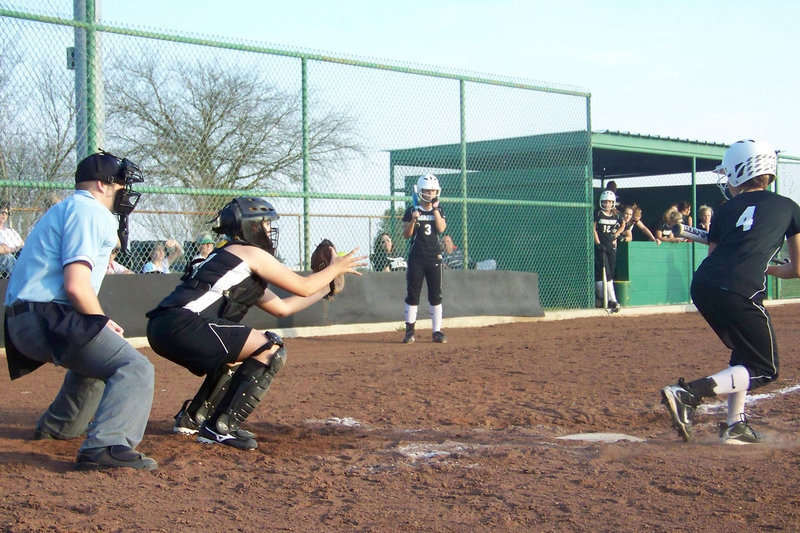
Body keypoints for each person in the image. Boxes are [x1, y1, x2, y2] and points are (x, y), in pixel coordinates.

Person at [145, 197, 366, 450]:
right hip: (183, 324)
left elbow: (283, 308)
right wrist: (336, 268)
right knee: (270, 348)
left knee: (238, 354)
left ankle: (194, 417)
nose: (270, 230)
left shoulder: (230, 259)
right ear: (251, 227)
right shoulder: (249, 252)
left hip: (164, 326)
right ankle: (221, 427)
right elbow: (303, 286)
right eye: (266, 224)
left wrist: (326, 287)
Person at [3, 151, 156, 470]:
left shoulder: (67, 208)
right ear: (102, 184)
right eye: (120, 185)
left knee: (100, 362)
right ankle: (107, 446)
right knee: (135, 367)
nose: (125, 192)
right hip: (46, 316)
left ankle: (58, 426)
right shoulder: (90, 210)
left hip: (26, 318)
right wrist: (98, 320)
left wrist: (98, 324)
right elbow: (76, 285)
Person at [661, 140, 800, 444]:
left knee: (744, 352)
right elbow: (797, 269)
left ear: (741, 171)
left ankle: (735, 424)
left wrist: (751, 263)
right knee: (765, 368)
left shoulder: (725, 211)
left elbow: (715, 256)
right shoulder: (789, 207)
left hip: (704, 285)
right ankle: (688, 393)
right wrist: (769, 268)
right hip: (742, 289)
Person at [402, 174, 447, 344]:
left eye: (433, 191)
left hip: (434, 257)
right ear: (421, 191)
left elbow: (441, 228)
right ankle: (409, 332)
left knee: (436, 295)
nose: (431, 194)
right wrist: (414, 220)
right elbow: (406, 234)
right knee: (413, 294)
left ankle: (437, 331)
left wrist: (435, 210)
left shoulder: (439, 210)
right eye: (427, 191)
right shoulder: (411, 210)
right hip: (417, 257)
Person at [593, 190, 624, 312]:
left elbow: (623, 225)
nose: (607, 204)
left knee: (611, 270)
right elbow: (593, 229)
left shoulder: (616, 214)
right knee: (604, 272)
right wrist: (598, 243)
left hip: (611, 246)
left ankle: (608, 299)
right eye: (605, 202)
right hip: (601, 245)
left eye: (610, 202)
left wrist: (615, 235)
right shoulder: (598, 213)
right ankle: (611, 300)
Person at [0, 203, 24, 277]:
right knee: (7, 257)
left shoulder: (11, 230)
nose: (4, 215)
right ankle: (20, 278)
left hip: (15, 253)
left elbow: (22, 244)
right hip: (4, 257)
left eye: (6, 213)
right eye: (2, 212)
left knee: (25, 252)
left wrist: (10, 249)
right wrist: (6, 250)